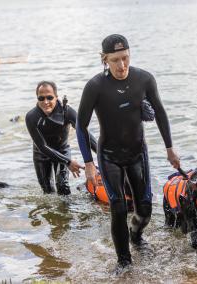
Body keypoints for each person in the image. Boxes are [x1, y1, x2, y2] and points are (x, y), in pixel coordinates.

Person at [76, 34, 180, 268]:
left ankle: (136, 236)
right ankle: (124, 261)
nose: (121, 65)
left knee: (144, 208)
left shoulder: (144, 79)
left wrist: (170, 149)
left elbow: (160, 112)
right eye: (115, 60)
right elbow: (81, 126)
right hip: (109, 155)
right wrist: (89, 163)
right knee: (118, 207)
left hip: (137, 153)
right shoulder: (95, 86)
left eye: (125, 58)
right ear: (105, 60)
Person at [25, 81, 97, 195]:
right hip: (41, 155)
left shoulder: (67, 112)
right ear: (37, 99)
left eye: (49, 97)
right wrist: (68, 162)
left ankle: (65, 210)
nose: (46, 102)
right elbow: (43, 147)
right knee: (48, 192)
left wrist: (103, 155)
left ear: (56, 97)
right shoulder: (31, 117)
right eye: (41, 98)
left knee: (63, 188)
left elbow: (84, 133)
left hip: (62, 151)